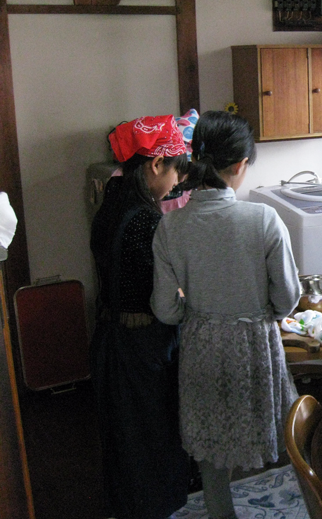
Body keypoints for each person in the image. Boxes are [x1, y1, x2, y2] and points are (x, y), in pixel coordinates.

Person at [151, 111, 301, 519]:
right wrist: (261, 311)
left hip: (201, 345)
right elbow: (287, 298)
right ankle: (311, 499)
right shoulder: (263, 219)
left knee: (210, 443)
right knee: (286, 429)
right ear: (240, 165)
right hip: (255, 344)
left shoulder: (170, 226)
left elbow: (164, 309)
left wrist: (198, 313)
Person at [90, 114, 191, 519]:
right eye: (175, 172)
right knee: (152, 437)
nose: (176, 183)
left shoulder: (111, 201)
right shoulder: (146, 220)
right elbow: (165, 294)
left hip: (109, 337)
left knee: (124, 438)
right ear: (156, 164)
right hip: (141, 345)